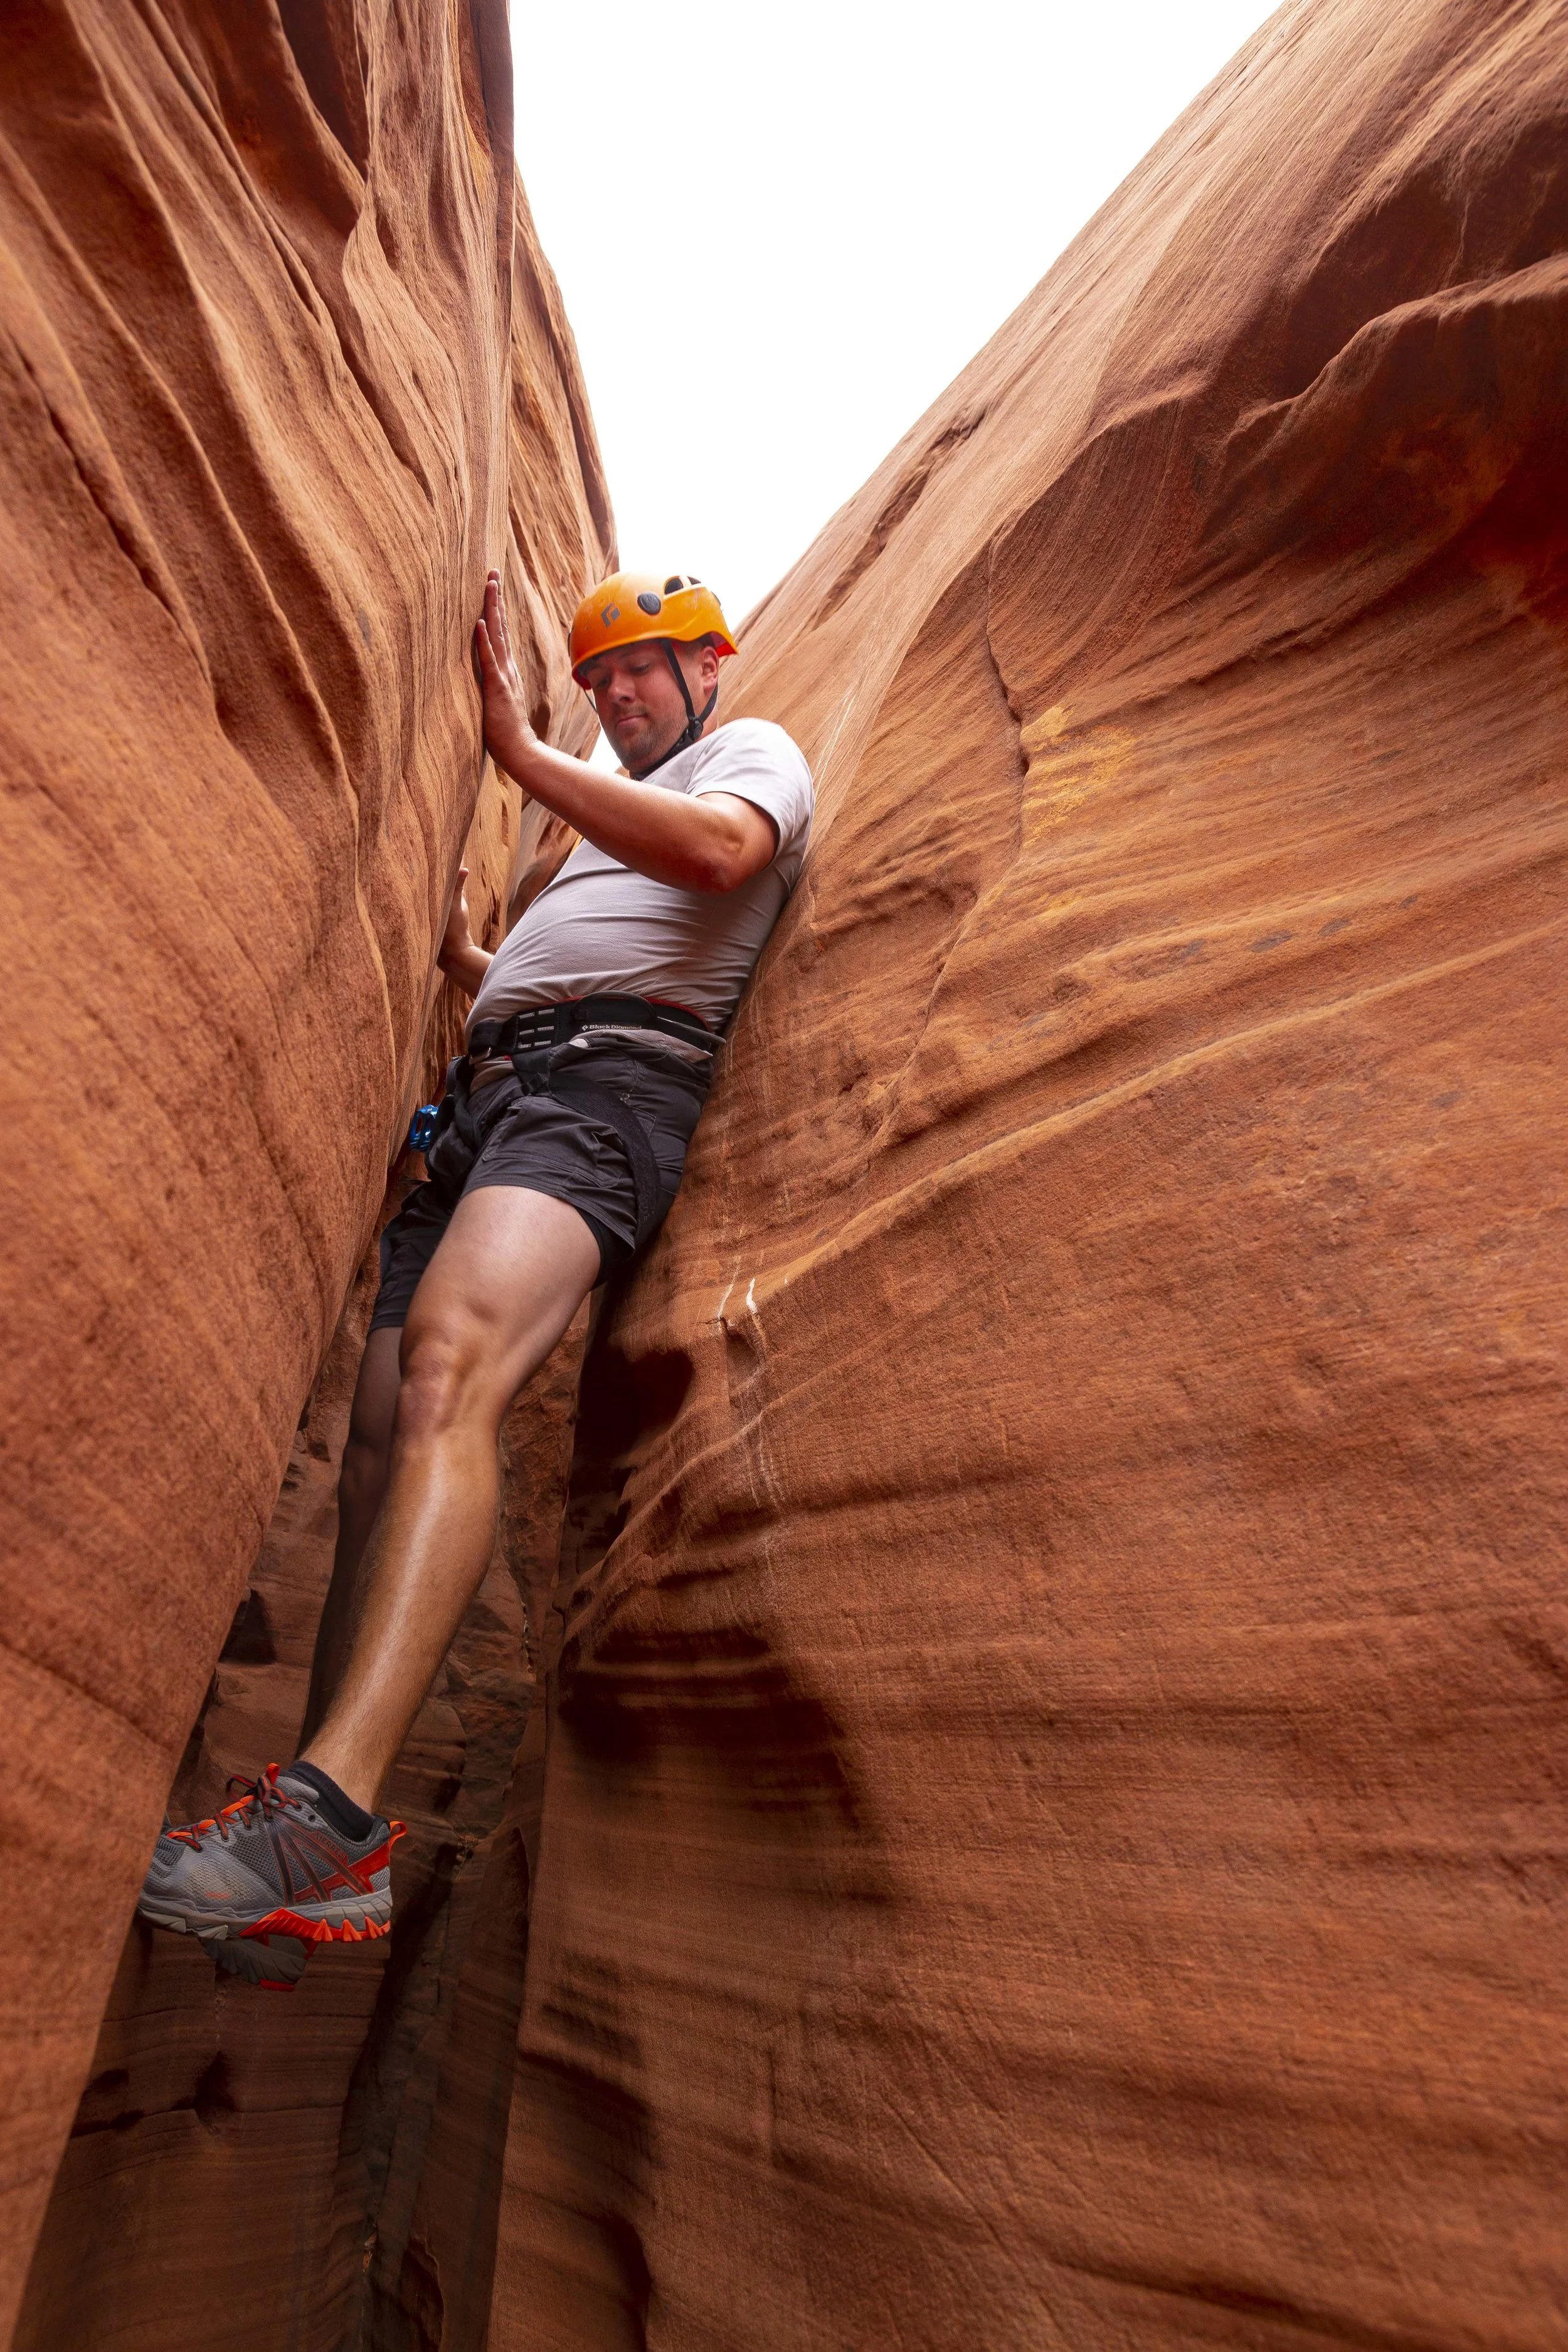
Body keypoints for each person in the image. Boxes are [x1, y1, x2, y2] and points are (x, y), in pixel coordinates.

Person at [137, 569, 813, 1969]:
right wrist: (472, 962)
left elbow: (715, 860)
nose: (617, 697)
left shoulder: (750, 756)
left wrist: (521, 754)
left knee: (451, 1368)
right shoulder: (590, 836)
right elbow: (588, 935)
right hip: (491, 1101)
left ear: (703, 663)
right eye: (597, 680)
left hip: (605, 1091)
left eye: (641, 668)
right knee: (378, 1444)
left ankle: (329, 1816)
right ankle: (305, 1846)